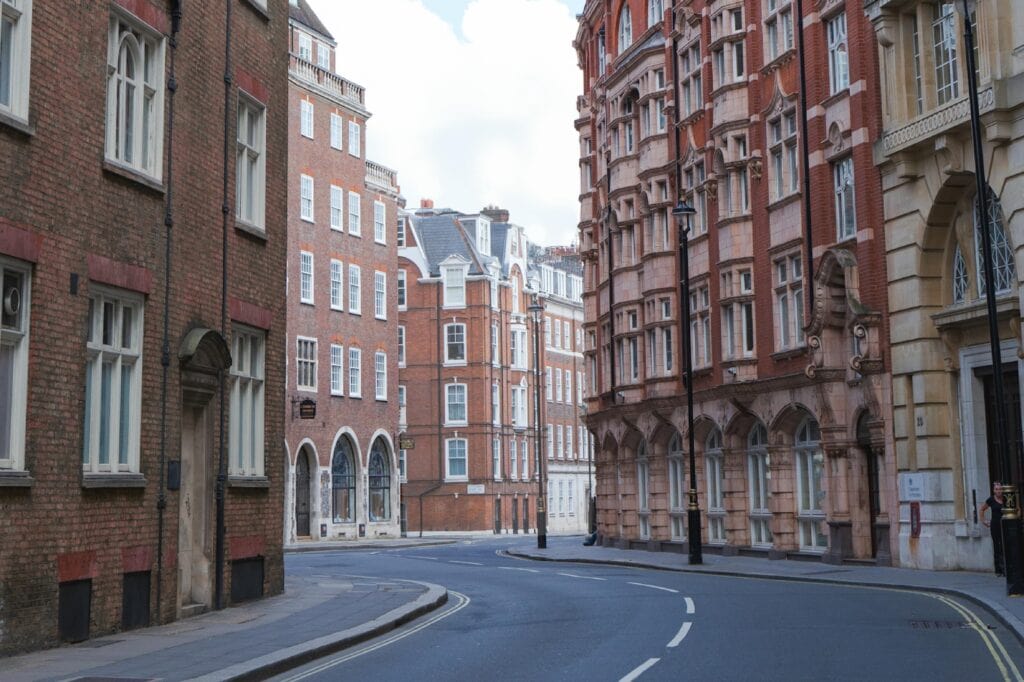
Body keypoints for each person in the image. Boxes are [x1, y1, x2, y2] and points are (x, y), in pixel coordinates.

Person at [980, 481, 1005, 576]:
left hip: (1005, 525)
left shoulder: (1006, 499)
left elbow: (1017, 508)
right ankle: (998, 569)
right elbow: (982, 509)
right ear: (994, 491)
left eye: (1000, 489)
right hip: (995, 525)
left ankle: (1005, 568)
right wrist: (984, 520)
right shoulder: (991, 499)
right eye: (997, 489)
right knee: (997, 546)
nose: (999, 491)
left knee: (1004, 546)